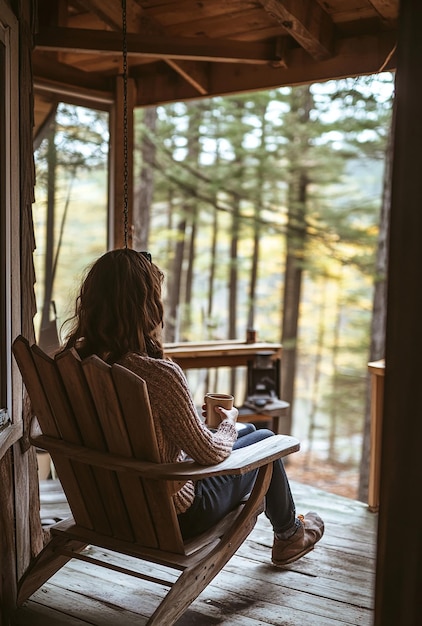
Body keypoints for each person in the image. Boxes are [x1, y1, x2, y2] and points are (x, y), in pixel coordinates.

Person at [62, 248, 324, 566]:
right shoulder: (157, 374)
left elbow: (120, 431)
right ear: (146, 306)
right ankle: (290, 535)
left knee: (253, 432)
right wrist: (228, 422)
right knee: (268, 443)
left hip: (105, 505)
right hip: (173, 515)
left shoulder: (71, 364)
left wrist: (183, 424)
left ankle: (290, 529)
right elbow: (209, 455)